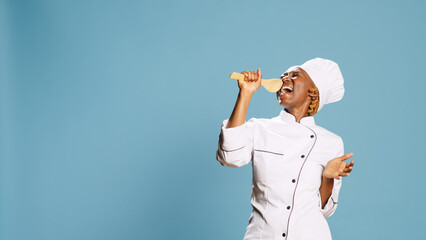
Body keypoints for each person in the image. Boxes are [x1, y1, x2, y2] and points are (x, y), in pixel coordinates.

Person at [216, 58, 354, 240]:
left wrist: (327, 177)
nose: (284, 78)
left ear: (313, 92)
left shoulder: (332, 142)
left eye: (294, 75)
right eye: (283, 75)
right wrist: (246, 93)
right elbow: (230, 157)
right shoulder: (259, 128)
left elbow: (325, 210)